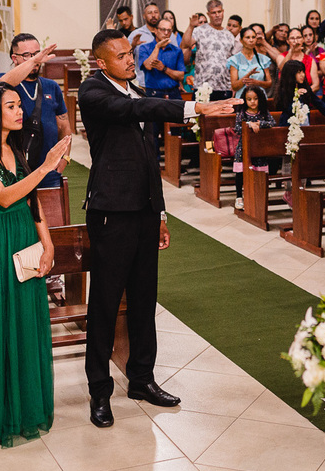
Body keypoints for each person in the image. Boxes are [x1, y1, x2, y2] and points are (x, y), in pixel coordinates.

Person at [78, 29, 239, 428]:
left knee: (145, 299)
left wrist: (161, 213)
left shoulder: (132, 87)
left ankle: (141, 379)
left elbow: (149, 161)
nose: (129, 60)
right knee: (104, 304)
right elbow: (136, 111)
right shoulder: (94, 91)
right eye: (119, 56)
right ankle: (100, 391)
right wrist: (196, 110)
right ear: (101, 62)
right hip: (111, 212)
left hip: (144, 211)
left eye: (130, 53)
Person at [0, 83, 71, 449]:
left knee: (24, 324)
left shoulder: (15, 148)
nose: (20, 111)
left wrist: (48, 242)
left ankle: (25, 410)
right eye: (11, 106)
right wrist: (46, 166)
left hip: (23, 236)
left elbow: (30, 200)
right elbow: (6, 196)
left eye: (19, 106)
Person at [0, 35, 72, 189]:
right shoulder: (5, 82)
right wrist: (33, 61)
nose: (35, 59)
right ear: (14, 58)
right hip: (16, 168)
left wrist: (65, 158)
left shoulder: (51, 86)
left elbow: (64, 127)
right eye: (27, 55)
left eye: (37, 54)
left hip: (49, 169)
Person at [135, 18, 186, 156]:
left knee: (175, 132)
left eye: (169, 30)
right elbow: (148, 65)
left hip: (173, 93)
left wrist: (164, 69)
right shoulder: (145, 48)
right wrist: (157, 47)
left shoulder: (176, 51)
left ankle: (174, 165)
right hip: (154, 93)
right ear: (156, 31)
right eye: (163, 29)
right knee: (152, 131)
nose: (166, 33)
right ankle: (154, 164)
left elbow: (180, 76)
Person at [231, 86, 277, 210]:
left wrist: (260, 124)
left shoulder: (263, 112)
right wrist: (249, 124)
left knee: (259, 173)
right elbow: (237, 128)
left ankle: (258, 196)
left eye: (255, 99)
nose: (252, 102)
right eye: (249, 99)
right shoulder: (242, 113)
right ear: (245, 100)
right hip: (244, 147)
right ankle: (239, 197)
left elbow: (272, 123)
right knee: (241, 173)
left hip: (259, 148)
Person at [182, 0, 235, 100]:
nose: (217, 15)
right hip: (203, 87)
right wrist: (191, 26)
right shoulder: (200, 31)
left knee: (223, 116)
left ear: (223, 12)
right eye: (214, 13)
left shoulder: (229, 35)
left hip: (224, 87)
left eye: (219, 12)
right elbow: (185, 44)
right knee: (200, 116)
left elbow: (233, 63)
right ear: (208, 14)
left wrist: (233, 85)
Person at [273, 60, 325, 127]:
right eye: (299, 72)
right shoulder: (284, 89)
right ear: (291, 74)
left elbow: (318, 103)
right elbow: (286, 109)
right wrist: (296, 96)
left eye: (303, 72)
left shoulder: (304, 87)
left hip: (305, 125)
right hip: (288, 127)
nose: (302, 75)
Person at [227, 27, 275, 98]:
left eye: (253, 37)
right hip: (242, 99)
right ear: (241, 40)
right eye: (248, 37)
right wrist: (247, 76)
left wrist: (256, 82)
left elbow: (269, 83)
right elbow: (234, 86)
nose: (251, 40)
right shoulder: (234, 60)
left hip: (260, 98)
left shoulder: (263, 59)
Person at [276, 27, 320, 92]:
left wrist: (303, 93)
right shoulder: (281, 57)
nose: (296, 41)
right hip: (286, 96)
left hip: (305, 96)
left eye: (298, 38)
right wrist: (291, 51)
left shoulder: (310, 60)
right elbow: (282, 68)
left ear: (303, 40)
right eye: (292, 38)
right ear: (287, 41)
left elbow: (316, 85)